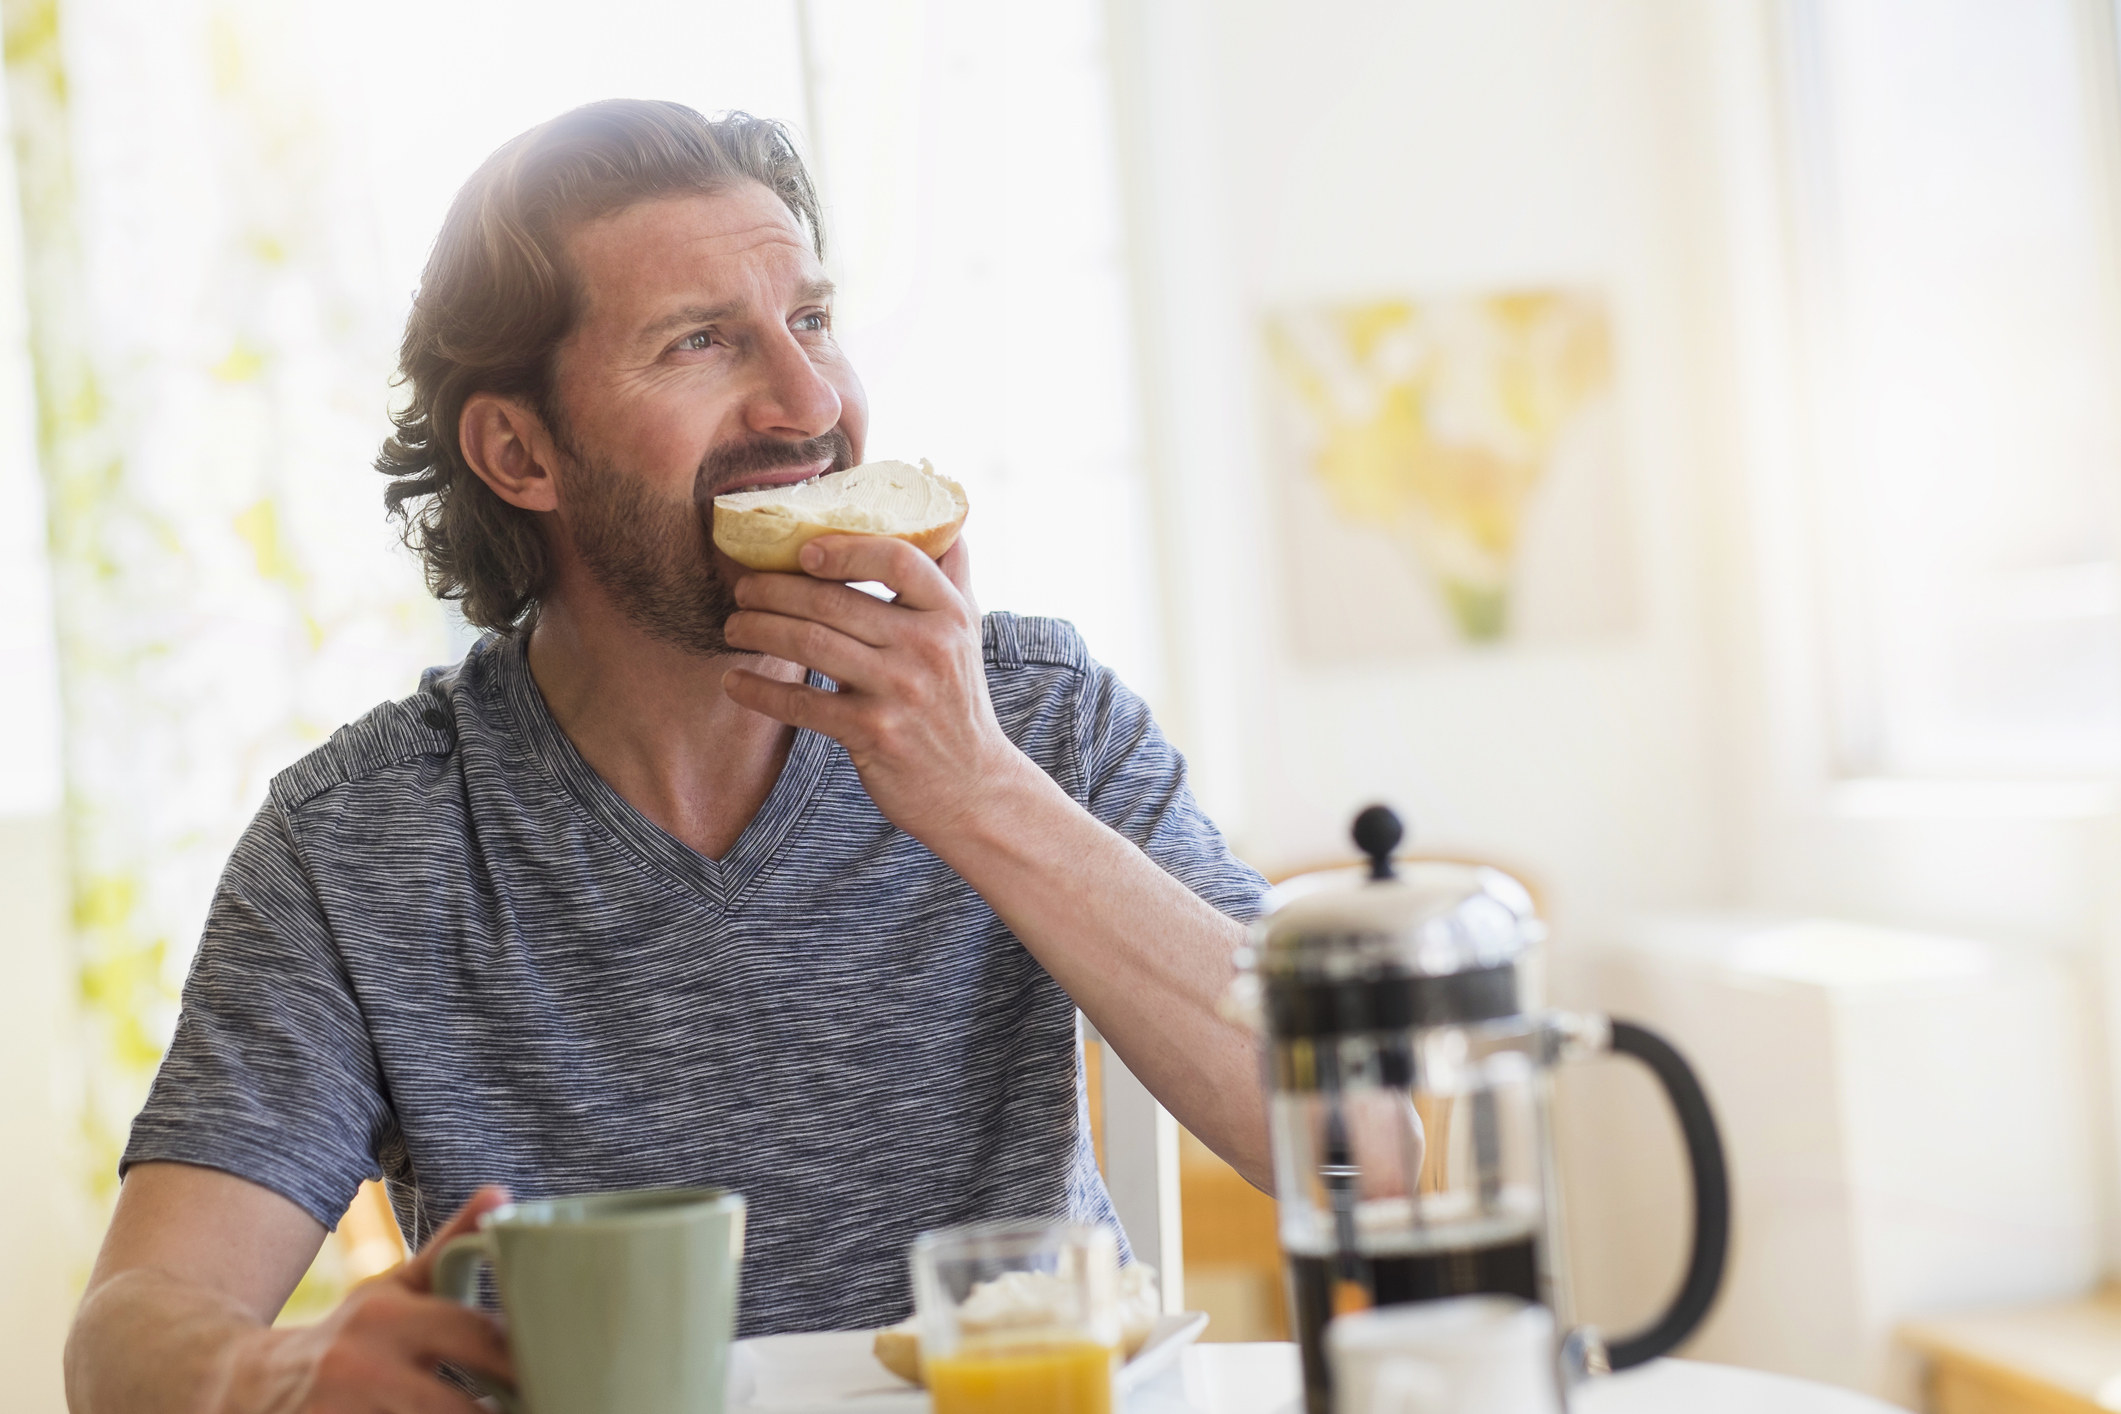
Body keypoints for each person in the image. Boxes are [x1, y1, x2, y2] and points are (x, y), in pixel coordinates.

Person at [64, 99, 1269, 1413]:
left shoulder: (1032, 712)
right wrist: (267, 1370)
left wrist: (975, 786)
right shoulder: (359, 843)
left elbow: (1359, 1147)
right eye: (702, 342)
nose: (811, 402)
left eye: (810, 320)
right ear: (520, 451)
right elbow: (127, 1331)